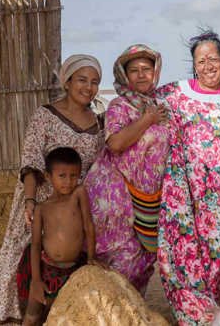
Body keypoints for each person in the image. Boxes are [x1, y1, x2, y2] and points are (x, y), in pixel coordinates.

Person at [0, 55, 105, 325]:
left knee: (66, 274)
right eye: (82, 80)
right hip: (38, 201)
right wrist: (29, 201)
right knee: (17, 261)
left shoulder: (98, 126)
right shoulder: (45, 115)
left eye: (95, 82)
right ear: (67, 81)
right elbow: (31, 161)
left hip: (72, 210)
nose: (89, 87)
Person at [156, 29, 220, 326]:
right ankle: (199, 316)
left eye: (214, 58)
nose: (208, 65)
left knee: (215, 260)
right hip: (182, 192)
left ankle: (206, 317)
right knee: (176, 256)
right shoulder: (172, 93)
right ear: (193, 64)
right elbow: (139, 104)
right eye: (201, 60)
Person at [83, 44, 171, 296]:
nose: (141, 74)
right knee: (120, 262)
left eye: (146, 68)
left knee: (143, 260)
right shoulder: (120, 106)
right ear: (124, 75)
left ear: (155, 72)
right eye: (134, 70)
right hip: (117, 195)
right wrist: (147, 119)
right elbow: (115, 143)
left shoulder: (161, 105)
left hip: (149, 198)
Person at [16, 147, 106, 326]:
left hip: (73, 268)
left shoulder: (78, 194)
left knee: (58, 312)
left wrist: (91, 256)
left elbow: (88, 225)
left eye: (74, 176)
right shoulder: (41, 208)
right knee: (33, 313)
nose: (69, 181)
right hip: (46, 268)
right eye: (62, 176)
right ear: (48, 176)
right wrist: (36, 280)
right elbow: (35, 245)